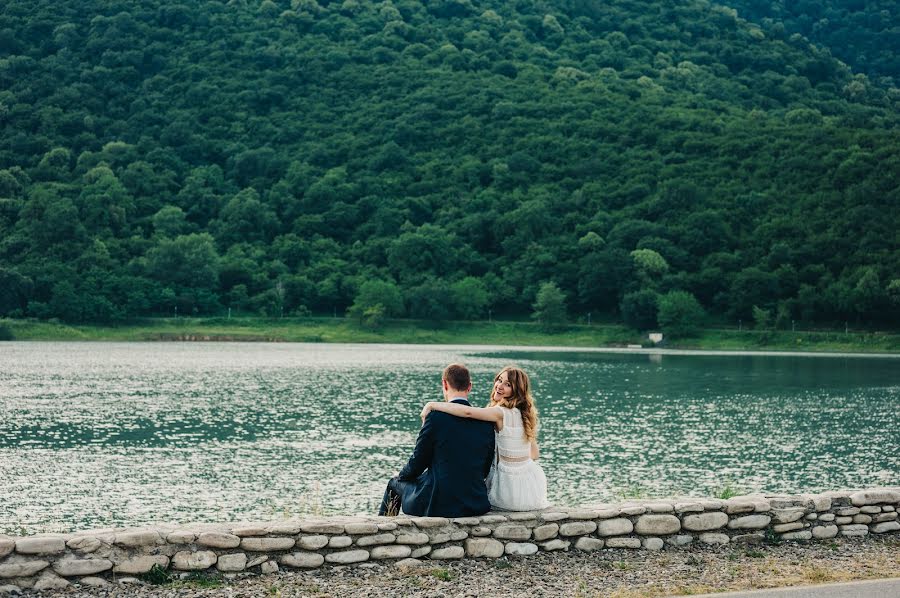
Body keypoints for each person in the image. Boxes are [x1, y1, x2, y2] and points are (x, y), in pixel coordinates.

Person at [420, 366, 549, 511]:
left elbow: (468, 412)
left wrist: (431, 405)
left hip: (507, 492)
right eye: (499, 380)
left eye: (507, 384)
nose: (499, 386)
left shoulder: (500, 413)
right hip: (528, 490)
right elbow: (534, 453)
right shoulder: (523, 415)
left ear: (516, 390)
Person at [378, 363, 495, 517]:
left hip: (439, 503)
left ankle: (386, 531)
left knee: (394, 484)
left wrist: (402, 477)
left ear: (444, 384)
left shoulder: (435, 417)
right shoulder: (486, 422)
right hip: (475, 502)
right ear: (469, 387)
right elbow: (485, 468)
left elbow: (418, 462)